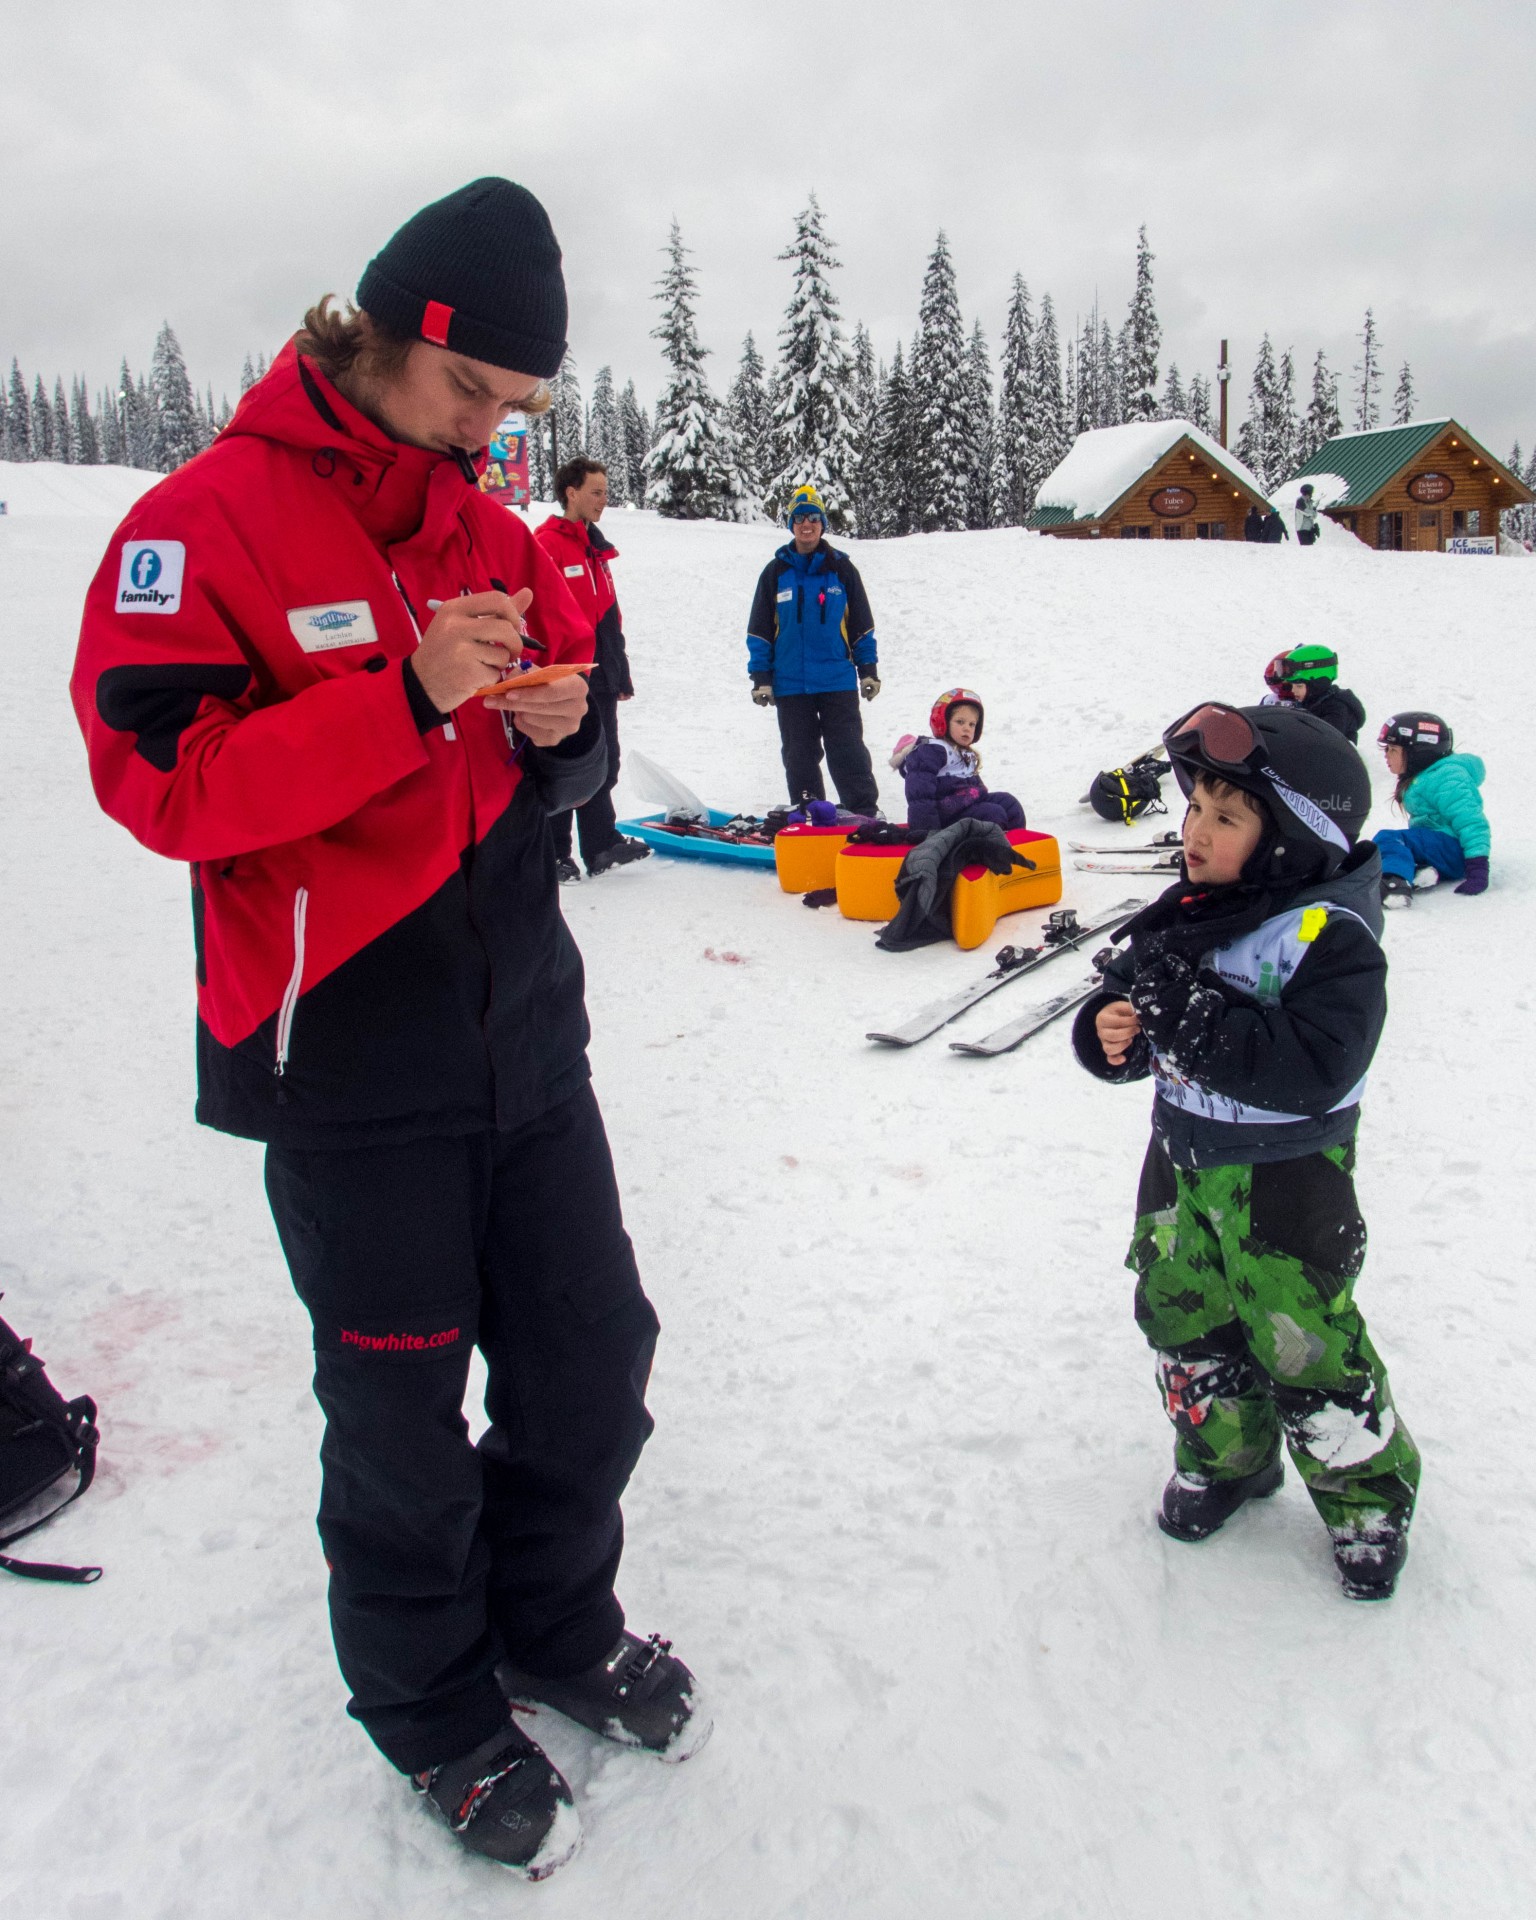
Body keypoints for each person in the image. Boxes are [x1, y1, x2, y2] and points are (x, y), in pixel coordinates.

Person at [70, 178, 704, 1880]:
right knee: (402, 1420)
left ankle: (548, 1627)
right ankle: (428, 1708)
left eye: (521, 413)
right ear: (397, 333)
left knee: (591, 1362)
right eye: (477, 397)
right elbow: (169, 789)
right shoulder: (199, 527)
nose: (498, 437)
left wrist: (564, 736)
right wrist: (403, 697)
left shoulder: (492, 532)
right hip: (341, 1052)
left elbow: (558, 745)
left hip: (524, 1034)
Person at [1071, 702, 1421, 1601]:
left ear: (1288, 843)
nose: (1195, 830)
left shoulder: (1329, 938)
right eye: (1194, 808)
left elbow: (1311, 1065)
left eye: (1226, 817)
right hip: (1182, 1171)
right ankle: (1226, 1458)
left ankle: (1365, 1501)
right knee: (1185, 1318)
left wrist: (1184, 1018)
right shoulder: (1189, 913)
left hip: (1288, 1187)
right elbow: (1129, 1004)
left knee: (1306, 1344)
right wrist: (1111, 1035)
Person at [535, 455, 650, 881]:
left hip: (599, 673)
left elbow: (608, 617)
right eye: (596, 492)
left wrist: (619, 673)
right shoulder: (546, 544)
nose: (604, 500)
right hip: (565, 675)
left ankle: (601, 844)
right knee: (567, 765)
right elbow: (541, 616)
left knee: (606, 761)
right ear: (571, 492)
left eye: (605, 491)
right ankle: (554, 853)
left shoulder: (595, 549)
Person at [746, 483, 880, 813]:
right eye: (799, 518)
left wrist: (869, 671)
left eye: (813, 518)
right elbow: (760, 632)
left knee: (847, 749)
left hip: (836, 680)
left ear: (823, 523)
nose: (806, 525)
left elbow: (862, 628)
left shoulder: (842, 570)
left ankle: (864, 812)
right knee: (799, 754)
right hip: (790, 684)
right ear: (791, 524)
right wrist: (761, 677)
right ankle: (811, 812)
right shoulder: (775, 573)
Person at [1372, 712, 1490, 908]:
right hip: (1442, 849)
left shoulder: (1448, 778)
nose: (1386, 756)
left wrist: (1478, 868)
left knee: (1389, 839)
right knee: (1386, 847)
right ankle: (1423, 872)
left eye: (1392, 749)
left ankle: (1394, 883)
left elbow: (1471, 821)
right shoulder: (1427, 775)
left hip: (1454, 849)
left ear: (1419, 752)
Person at [892, 688, 1025, 833]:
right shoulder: (932, 751)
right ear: (942, 722)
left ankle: (1016, 847)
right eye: (960, 722)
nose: (966, 729)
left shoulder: (966, 753)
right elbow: (919, 792)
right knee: (992, 814)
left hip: (969, 807)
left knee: (1010, 804)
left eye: (971, 724)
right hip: (944, 817)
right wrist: (926, 830)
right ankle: (985, 851)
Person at [1261, 645, 1366, 742]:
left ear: (1316, 684)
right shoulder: (1310, 702)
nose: (1293, 691)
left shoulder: (1336, 709)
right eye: (1292, 686)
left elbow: (1319, 742)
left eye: (1299, 686)